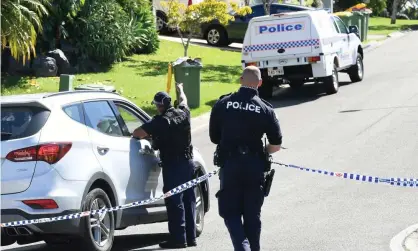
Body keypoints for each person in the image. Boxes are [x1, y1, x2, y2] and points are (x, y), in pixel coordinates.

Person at [209, 66, 283, 251]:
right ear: (260, 83)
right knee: (252, 216)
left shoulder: (222, 104)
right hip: (254, 167)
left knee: (230, 213)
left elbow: (214, 138)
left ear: (241, 79)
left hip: (230, 166)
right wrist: (262, 152)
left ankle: (242, 247)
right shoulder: (266, 109)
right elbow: (276, 145)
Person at [132, 83, 197, 249]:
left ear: (159, 105)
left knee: (174, 201)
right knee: (188, 198)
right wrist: (180, 89)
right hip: (188, 162)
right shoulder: (183, 112)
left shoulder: (160, 121)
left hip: (173, 164)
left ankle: (178, 239)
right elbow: (183, 100)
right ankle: (191, 237)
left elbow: (137, 133)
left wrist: (148, 134)